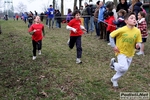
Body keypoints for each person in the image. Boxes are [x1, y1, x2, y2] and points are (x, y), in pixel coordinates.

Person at [109, 12, 142, 88]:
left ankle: (114, 79)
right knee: (124, 67)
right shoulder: (121, 29)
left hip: (130, 53)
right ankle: (113, 64)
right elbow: (111, 36)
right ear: (126, 21)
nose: (134, 19)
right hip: (121, 51)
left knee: (123, 70)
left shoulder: (137, 31)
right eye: (131, 18)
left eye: (135, 18)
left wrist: (138, 45)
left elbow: (139, 41)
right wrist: (114, 46)